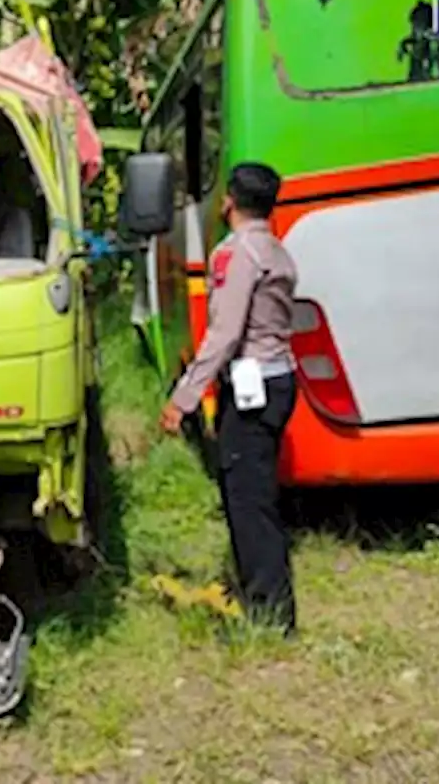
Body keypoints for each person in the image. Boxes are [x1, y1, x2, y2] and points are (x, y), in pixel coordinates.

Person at [159, 162, 300, 636]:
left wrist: (184, 396)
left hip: (253, 386)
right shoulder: (277, 250)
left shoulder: (237, 254)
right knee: (258, 492)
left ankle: (269, 613)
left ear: (229, 202)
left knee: (247, 499)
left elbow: (224, 333)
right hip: (279, 380)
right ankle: (265, 593)